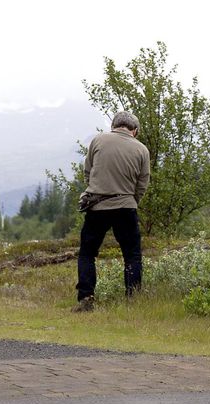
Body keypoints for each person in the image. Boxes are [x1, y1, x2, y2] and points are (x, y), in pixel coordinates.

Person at [72, 111, 150, 312]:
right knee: (132, 255)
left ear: (114, 126)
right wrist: (132, 201)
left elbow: (88, 172)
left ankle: (86, 299)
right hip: (126, 207)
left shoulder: (98, 140)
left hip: (97, 206)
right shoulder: (141, 150)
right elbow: (142, 184)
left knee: (87, 253)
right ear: (134, 130)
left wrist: (98, 190)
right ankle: (133, 300)